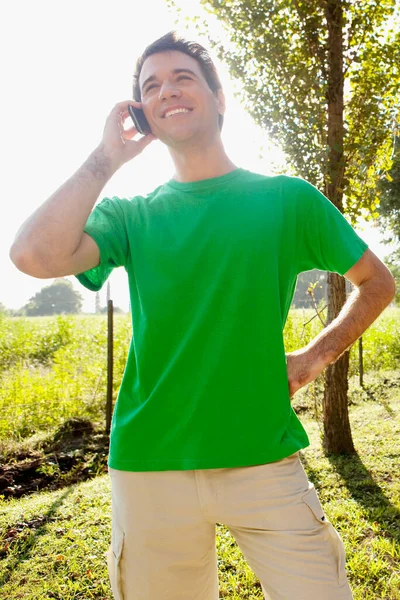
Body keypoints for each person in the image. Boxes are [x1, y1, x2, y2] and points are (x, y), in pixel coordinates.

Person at [10, 30, 395, 600]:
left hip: (263, 459)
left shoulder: (287, 200)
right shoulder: (129, 216)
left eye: (182, 77)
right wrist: (106, 157)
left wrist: (315, 357)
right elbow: (32, 255)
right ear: (143, 114)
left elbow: (377, 284)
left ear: (219, 99)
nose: (167, 90)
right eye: (151, 86)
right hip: (149, 466)